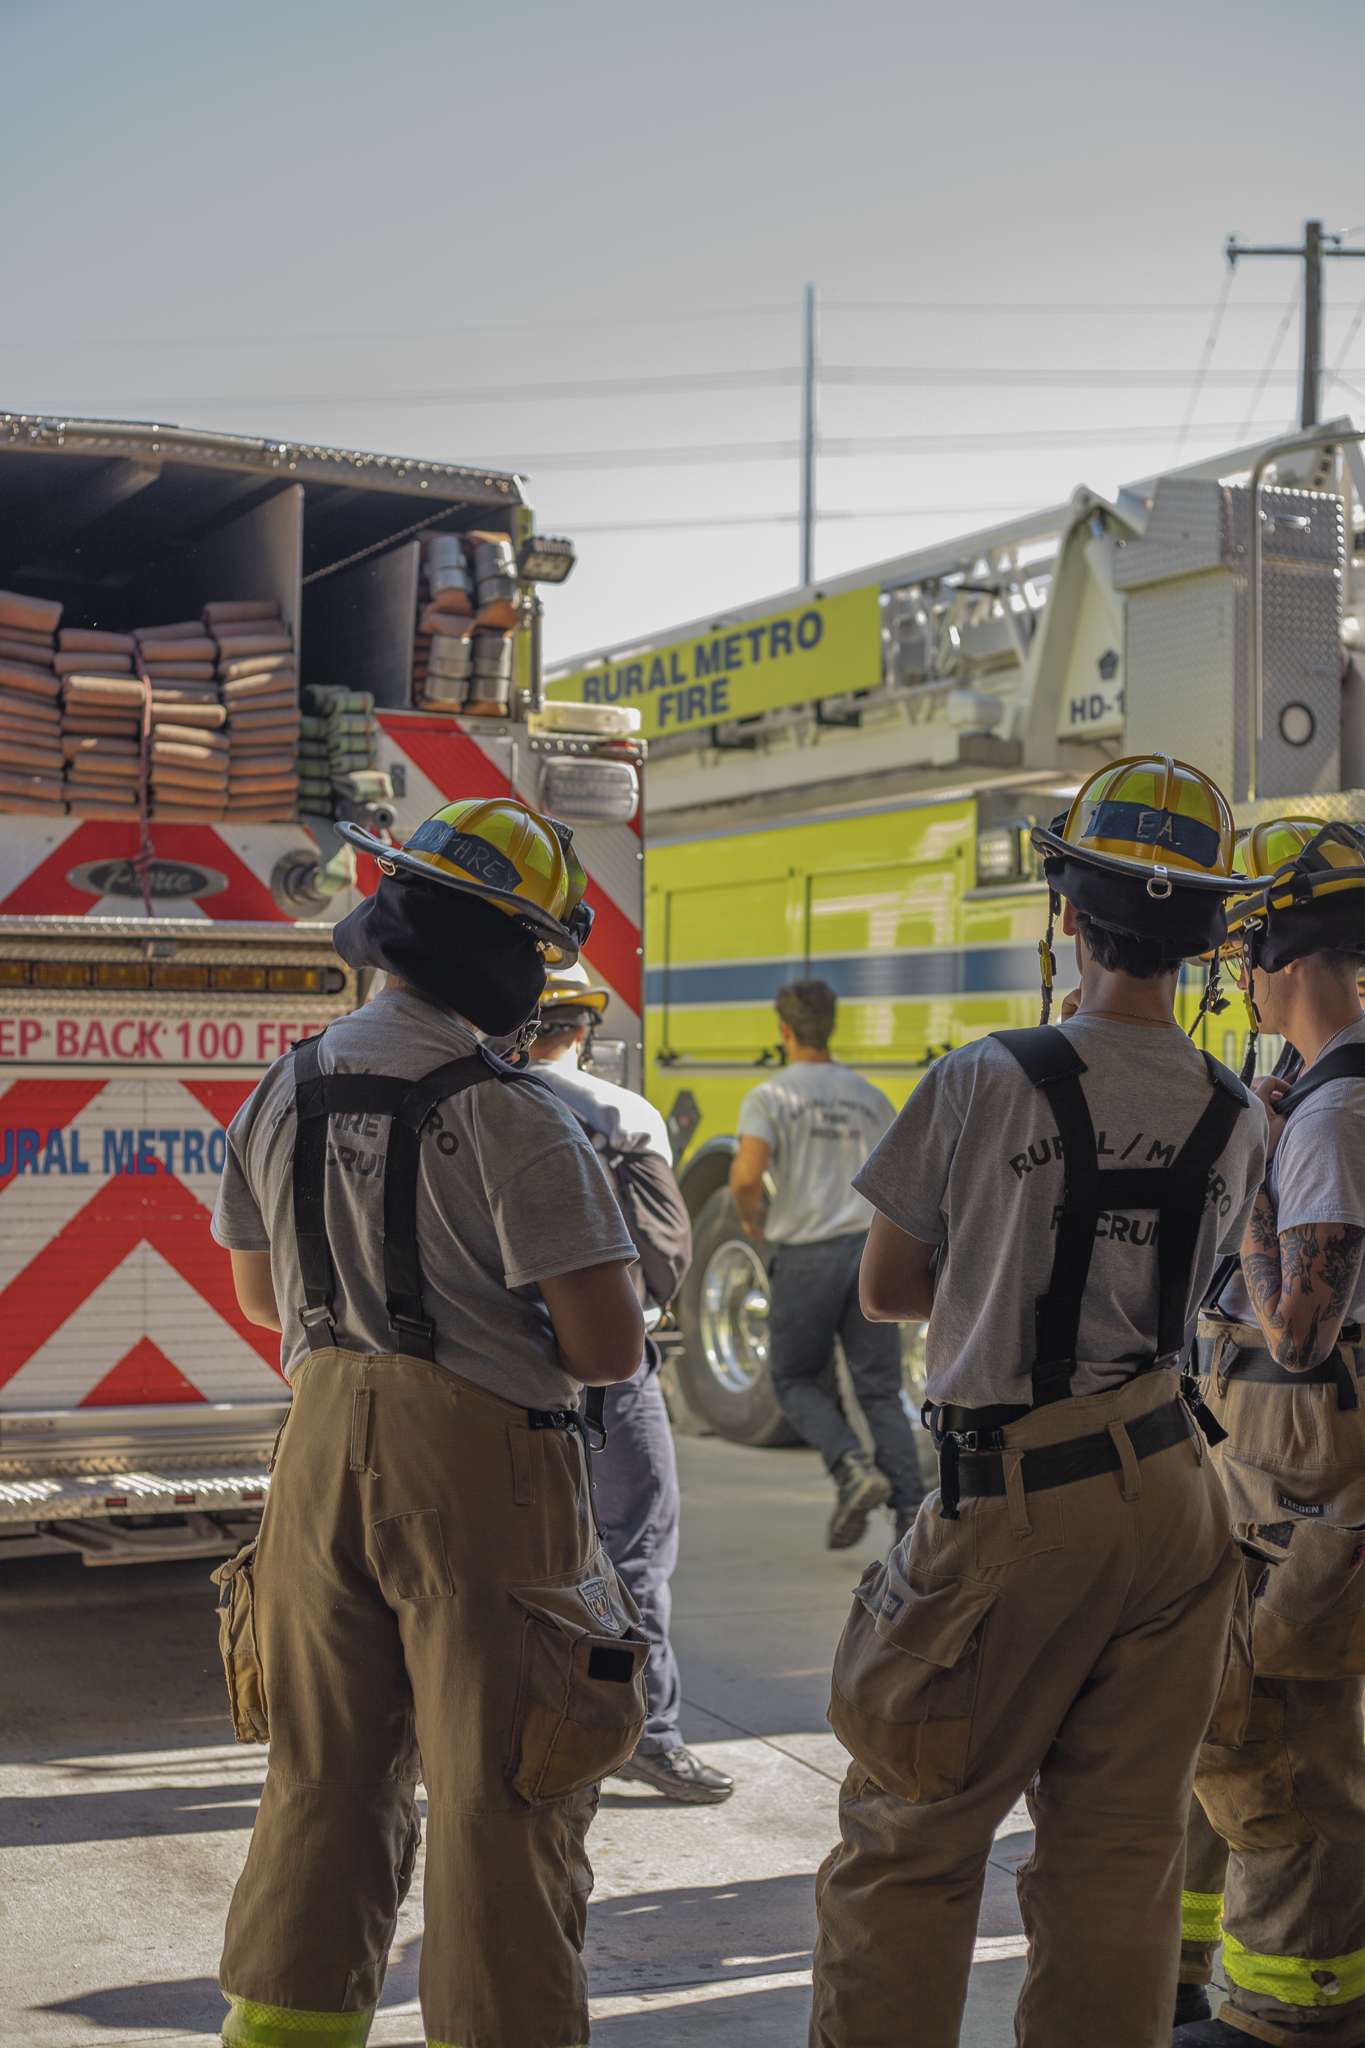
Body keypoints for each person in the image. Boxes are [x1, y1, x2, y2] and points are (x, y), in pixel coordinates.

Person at [809, 755, 1268, 2048]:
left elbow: (892, 1288)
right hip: (1180, 1497)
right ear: (1202, 942)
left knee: (912, 1833)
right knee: (1120, 1856)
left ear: (1065, 912)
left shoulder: (984, 1077)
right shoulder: (1236, 1114)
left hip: (1015, 1497)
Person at [209, 797, 653, 2048]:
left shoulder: (283, 1085)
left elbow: (257, 1294)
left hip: (316, 1446)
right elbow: (607, 1345)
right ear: (507, 958)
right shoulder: (519, 1116)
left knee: (321, 1778)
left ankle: (283, 2032)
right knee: (501, 1790)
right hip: (482, 1470)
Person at [1171, 819, 1365, 2048]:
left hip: (1304, 1456)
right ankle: (1203, 1969)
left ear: (1276, 958)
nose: (1237, 981)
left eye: (1243, 952)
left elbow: (1299, 1329)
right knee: (1240, 1719)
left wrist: (1245, 1167)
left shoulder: (1333, 1108)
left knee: (1289, 1740)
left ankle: (1292, 2015)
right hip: (1286, 1459)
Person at [527, 963, 733, 1805]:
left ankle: (517, 1730)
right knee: (633, 1549)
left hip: (496, 1373)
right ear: (582, 1029)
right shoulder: (623, 1115)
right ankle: (645, 1735)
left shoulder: (466, 1105)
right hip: (611, 1374)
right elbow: (663, 1260)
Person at [729, 979, 926, 1549]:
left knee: (793, 1378)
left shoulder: (771, 1095)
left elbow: (744, 1176)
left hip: (807, 1258)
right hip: (868, 1257)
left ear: (784, 1030)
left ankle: (850, 1468)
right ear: (831, 1027)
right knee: (878, 1391)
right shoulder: (869, 1095)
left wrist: (752, 1220)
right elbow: (903, 1176)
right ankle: (912, 1522)